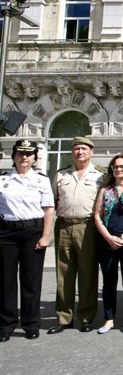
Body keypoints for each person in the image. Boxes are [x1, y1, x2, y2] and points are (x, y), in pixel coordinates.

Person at [0, 140, 55, 342]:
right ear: (13, 156)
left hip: (32, 231)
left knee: (31, 280)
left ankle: (31, 324)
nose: (24, 157)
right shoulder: (3, 179)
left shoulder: (41, 180)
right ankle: (6, 324)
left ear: (34, 158)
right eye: (20, 154)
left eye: (29, 154)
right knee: (6, 280)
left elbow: (48, 208)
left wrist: (46, 236)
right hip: (6, 232)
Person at [48, 137, 103, 335]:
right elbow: (52, 200)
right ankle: (64, 318)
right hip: (63, 226)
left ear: (91, 152)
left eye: (84, 149)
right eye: (77, 149)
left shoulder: (99, 176)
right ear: (72, 152)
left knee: (88, 272)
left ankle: (86, 318)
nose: (80, 152)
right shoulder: (61, 174)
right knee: (64, 274)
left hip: (87, 227)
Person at [93, 154, 123, 334]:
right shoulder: (105, 190)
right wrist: (108, 237)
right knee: (109, 280)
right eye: (115, 167)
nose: (118, 169)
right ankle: (109, 318)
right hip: (107, 240)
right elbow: (97, 215)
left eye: (122, 167)